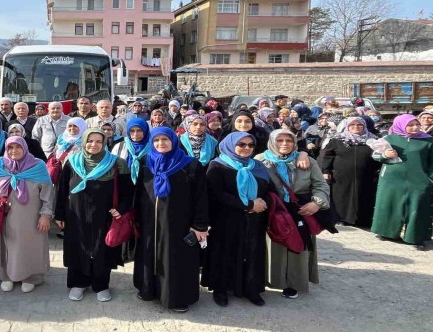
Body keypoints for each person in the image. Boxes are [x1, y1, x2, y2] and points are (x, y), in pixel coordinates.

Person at [134, 127, 208, 312]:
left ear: (174, 141)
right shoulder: (146, 161)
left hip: (179, 224)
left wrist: (199, 225)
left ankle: (178, 297)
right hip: (150, 222)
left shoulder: (190, 165)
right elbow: (138, 191)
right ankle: (148, 289)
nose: (161, 144)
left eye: (165, 139)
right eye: (157, 140)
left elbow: (201, 197)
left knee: (175, 258)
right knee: (150, 253)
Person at [55, 129, 132, 303]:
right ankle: (78, 283)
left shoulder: (117, 163)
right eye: (90, 141)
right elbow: (62, 190)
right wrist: (59, 213)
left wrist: (121, 208)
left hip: (105, 215)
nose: (94, 145)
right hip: (76, 214)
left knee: (101, 249)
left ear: (105, 143)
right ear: (83, 141)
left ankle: (101, 285)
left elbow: (128, 192)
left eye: (99, 141)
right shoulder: (72, 162)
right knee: (78, 246)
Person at [0, 137, 55, 293]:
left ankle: (31, 277)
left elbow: (48, 194)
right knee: (5, 245)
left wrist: (45, 215)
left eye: (18, 147)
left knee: (29, 245)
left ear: (25, 148)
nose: (14, 151)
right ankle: (6, 276)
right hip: (3, 217)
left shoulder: (38, 166)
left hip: (30, 219)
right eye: (10, 147)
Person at [255, 129, 330, 298]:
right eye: (279, 140)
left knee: (298, 245)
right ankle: (271, 279)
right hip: (273, 209)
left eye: (288, 140)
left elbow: (321, 186)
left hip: (301, 209)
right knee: (272, 245)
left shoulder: (307, 161)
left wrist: (316, 203)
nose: (284, 144)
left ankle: (293, 282)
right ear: (272, 141)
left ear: (295, 143)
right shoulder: (260, 160)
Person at [202, 132, 271, 307]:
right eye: (241, 144)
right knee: (225, 252)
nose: (246, 148)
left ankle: (250, 288)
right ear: (231, 145)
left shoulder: (258, 166)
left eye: (250, 145)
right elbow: (216, 194)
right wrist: (248, 204)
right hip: (226, 219)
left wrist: (261, 203)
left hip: (254, 219)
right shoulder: (217, 166)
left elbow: (268, 190)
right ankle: (221, 289)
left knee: (252, 252)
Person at [371, 114, 433, 250]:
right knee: (389, 204)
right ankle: (387, 232)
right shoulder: (390, 138)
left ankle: (415, 237)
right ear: (401, 125)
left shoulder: (429, 141)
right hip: (391, 180)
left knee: (417, 208)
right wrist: (384, 155)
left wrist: (430, 178)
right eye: (410, 125)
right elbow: (375, 155)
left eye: (417, 124)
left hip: (419, 181)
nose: (415, 127)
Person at [319, 117, 380, 227]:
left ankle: (362, 220)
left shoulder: (373, 140)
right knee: (342, 196)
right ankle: (341, 218)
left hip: (366, 175)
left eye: (359, 125)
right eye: (352, 125)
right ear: (347, 126)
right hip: (341, 176)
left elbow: (379, 156)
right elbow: (327, 156)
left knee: (364, 196)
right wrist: (325, 170)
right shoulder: (338, 140)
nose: (356, 127)